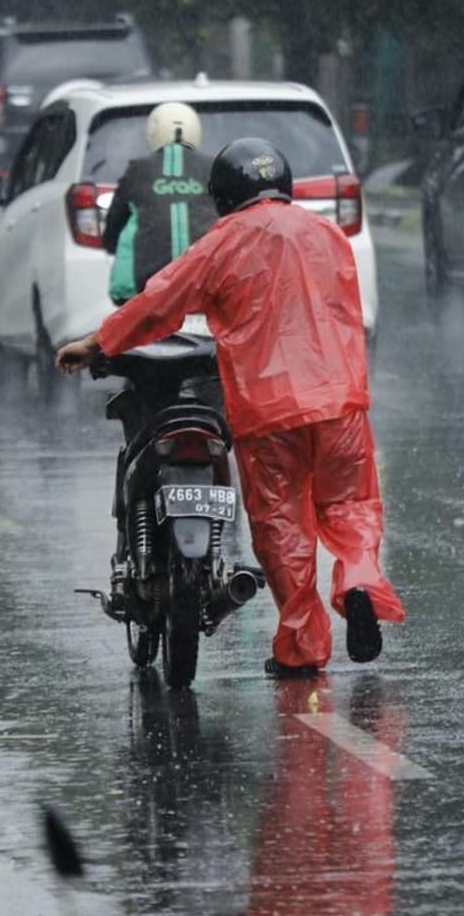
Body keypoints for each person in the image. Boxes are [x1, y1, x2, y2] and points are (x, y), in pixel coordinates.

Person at [56, 137, 406, 679]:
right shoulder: (327, 235)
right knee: (351, 506)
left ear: (222, 197)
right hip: (340, 402)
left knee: (283, 526)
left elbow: (159, 304)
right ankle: (358, 579)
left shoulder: (224, 242)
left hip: (269, 412)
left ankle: (302, 649)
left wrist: (99, 344)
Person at [103, 101, 216, 304]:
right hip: (207, 282)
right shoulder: (212, 168)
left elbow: (115, 224)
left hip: (146, 287)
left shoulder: (138, 170)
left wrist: (110, 244)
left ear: (153, 133)